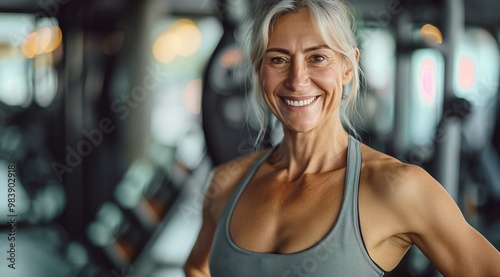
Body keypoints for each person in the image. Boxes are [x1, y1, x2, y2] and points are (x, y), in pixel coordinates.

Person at [184, 0, 500, 276]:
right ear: (259, 70)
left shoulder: (398, 187)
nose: (297, 80)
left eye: (317, 57)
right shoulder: (227, 181)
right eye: (278, 59)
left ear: (348, 67)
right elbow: (197, 267)